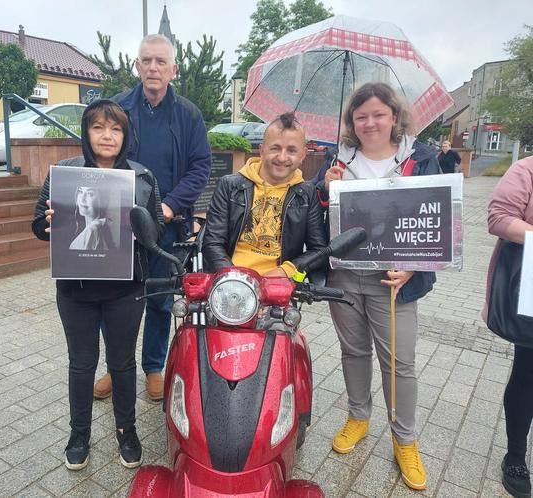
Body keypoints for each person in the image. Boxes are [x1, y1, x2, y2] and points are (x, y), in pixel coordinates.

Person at [314, 82, 441, 491]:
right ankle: (358, 416)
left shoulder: (420, 160)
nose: (369, 123)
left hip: (393, 279)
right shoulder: (338, 160)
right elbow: (316, 220)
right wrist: (324, 190)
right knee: (353, 351)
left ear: (394, 116)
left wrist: (414, 267)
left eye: (378, 114)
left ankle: (405, 439)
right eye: (361, 116)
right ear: (352, 120)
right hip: (346, 274)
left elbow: (437, 222)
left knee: (398, 362)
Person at [32, 99, 164, 471]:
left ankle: (127, 430)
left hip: (125, 288)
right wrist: (50, 222)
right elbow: (39, 228)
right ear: (86, 133)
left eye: (116, 129)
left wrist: (141, 227)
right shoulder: (63, 173)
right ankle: (79, 434)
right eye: (98, 127)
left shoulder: (142, 177)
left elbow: (158, 231)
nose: (107, 136)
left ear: (125, 135)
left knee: (122, 364)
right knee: (81, 364)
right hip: (76, 291)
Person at [93, 34, 211, 402]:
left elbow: (201, 166)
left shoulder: (188, 114)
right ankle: (117, 366)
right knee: (120, 297)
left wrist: (170, 206)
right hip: (123, 222)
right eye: (147, 61)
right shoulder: (118, 109)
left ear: (173, 69)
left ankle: (154, 367)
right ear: (137, 66)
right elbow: (102, 157)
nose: (153, 68)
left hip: (167, 223)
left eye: (161, 62)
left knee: (160, 298)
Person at [202, 112, 327, 277]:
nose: (282, 157)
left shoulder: (308, 194)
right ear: (261, 150)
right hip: (231, 281)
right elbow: (212, 242)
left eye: (291, 150)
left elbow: (318, 251)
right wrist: (234, 277)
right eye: (275, 148)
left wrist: (285, 271)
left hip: (278, 288)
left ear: (303, 155)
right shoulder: (229, 185)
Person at [483, 156, 533, 498]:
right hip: (531, 281)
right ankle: (516, 455)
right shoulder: (526, 170)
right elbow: (499, 219)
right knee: (528, 371)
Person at [68, 186, 113, 251]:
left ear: (102, 200)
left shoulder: (92, 230)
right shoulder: (99, 226)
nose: (82, 199)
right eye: (80, 192)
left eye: (90, 194)